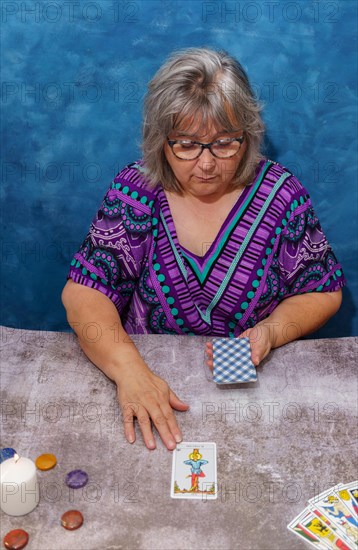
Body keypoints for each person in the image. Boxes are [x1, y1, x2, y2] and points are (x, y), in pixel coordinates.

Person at [62, 47, 345, 452]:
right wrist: (129, 371)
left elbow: (321, 290)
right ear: (161, 142)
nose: (207, 164)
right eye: (188, 145)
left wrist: (269, 333)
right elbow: (84, 293)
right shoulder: (135, 191)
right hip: (146, 382)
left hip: (253, 397)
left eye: (225, 143)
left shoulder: (281, 194)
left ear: (248, 136)